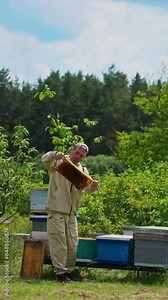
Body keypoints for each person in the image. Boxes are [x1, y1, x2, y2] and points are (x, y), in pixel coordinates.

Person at [42, 143, 99, 283]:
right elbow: (44, 159)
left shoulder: (82, 170)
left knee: (72, 244)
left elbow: (88, 190)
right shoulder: (58, 162)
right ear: (73, 150)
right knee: (59, 244)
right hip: (56, 210)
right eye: (77, 153)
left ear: (84, 157)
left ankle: (69, 273)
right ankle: (60, 274)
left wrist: (94, 186)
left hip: (72, 213)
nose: (78, 156)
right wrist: (55, 154)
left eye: (81, 155)